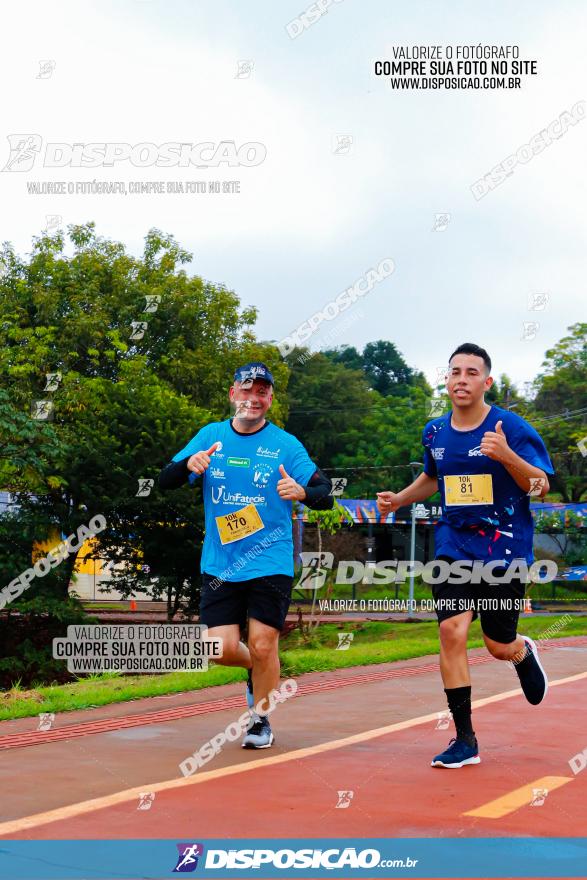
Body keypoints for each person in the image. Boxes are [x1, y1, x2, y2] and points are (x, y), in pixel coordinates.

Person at [376, 343, 554, 769]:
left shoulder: (509, 427)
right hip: (453, 545)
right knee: (451, 632)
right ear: (447, 380)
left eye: (472, 373)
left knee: (495, 643)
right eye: (455, 372)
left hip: (504, 549)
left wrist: (506, 455)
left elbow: (541, 487)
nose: (461, 379)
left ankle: (520, 652)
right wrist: (398, 499)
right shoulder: (435, 432)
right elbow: (433, 478)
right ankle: (465, 740)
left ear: (486, 382)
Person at [158, 362, 333, 749]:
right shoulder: (211, 436)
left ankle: (260, 719)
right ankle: (262, 667)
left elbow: (326, 492)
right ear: (232, 394)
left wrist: (303, 493)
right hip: (220, 563)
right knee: (219, 649)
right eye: (246, 389)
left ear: (270, 398)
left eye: (262, 392)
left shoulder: (286, 445)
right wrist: (189, 464)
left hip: (270, 558)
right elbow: (163, 480)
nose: (253, 398)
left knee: (264, 642)